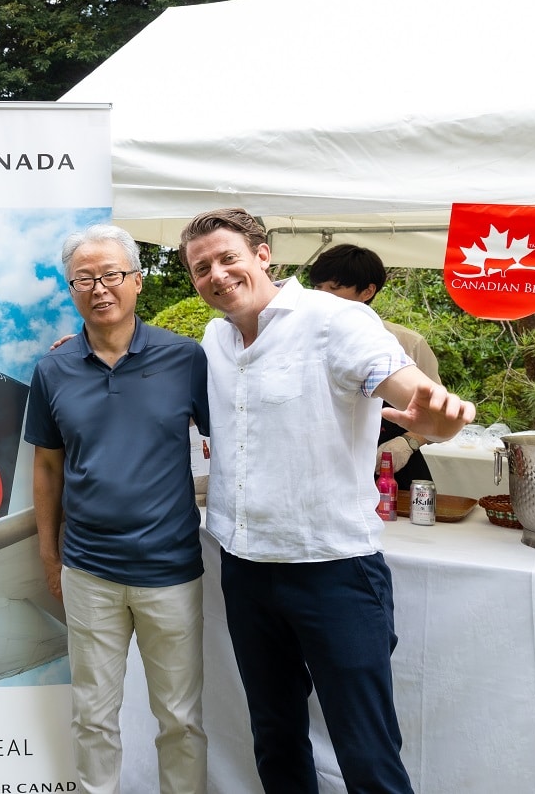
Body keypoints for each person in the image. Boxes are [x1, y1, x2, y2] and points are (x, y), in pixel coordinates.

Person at [179, 209, 475, 794]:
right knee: (276, 737)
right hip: (244, 566)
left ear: (264, 255)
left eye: (227, 257)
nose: (216, 274)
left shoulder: (337, 321)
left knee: (365, 751)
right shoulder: (213, 338)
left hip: (333, 569)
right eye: (201, 267)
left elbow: (411, 391)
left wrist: (437, 417)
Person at [24, 224, 210, 794]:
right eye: (85, 278)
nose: (99, 288)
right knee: (93, 717)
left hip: (169, 569)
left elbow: (233, 441)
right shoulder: (53, 369)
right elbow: (48, 469)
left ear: (136, 282)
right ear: (71, 289)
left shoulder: (186, 359)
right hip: (89, 571)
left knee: (180, 720)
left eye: (111, 275)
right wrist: (51, 558)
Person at [308, 243, 442, 489]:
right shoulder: (300, 339)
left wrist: (407, 444)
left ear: (367, 291)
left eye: (334, 288)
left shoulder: (407, 343)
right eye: (317, 287)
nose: (321, 295)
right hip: (322, 468)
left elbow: (437, 415)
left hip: (390, 469)